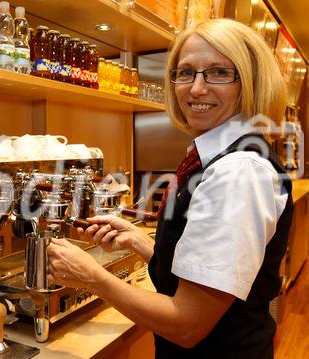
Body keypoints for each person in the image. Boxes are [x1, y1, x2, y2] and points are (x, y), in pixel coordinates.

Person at [47, 18, 293, 358]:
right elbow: (201, 274)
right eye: (185, 72)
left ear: (249, 81)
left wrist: (91, 276)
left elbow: (187, 325)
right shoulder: (212, 155)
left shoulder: (237, 172)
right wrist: (141, 243)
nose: (195, 89)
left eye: (218, 73)